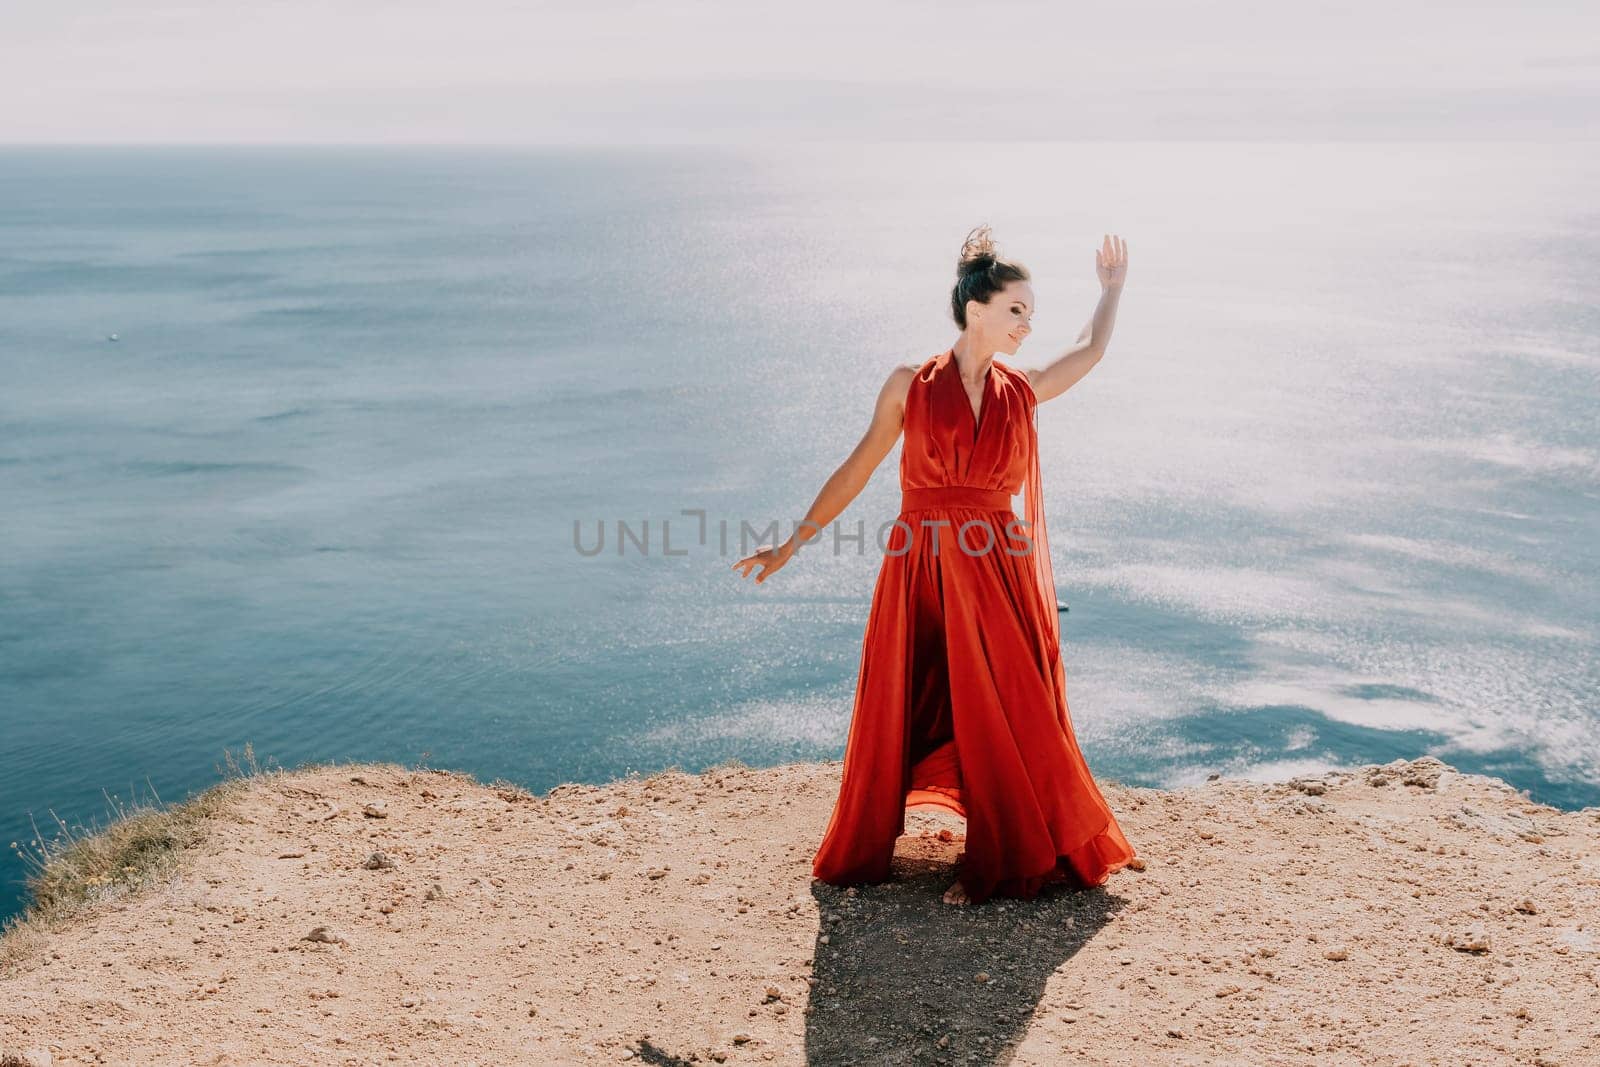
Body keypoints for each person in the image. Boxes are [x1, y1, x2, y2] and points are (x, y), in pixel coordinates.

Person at [732, 224, 1138, 905]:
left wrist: (1112, 292)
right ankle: (900, 835)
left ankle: (1008, 849)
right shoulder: (907, 384)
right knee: (922, 691)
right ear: (975, 306)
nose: (1027, 325)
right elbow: (858, 468)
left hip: (997, 568)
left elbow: (1091, 350)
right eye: (1016, 310)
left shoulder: (1023, 387)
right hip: (920, 564)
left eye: (1031, 315)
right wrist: (793, 542)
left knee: (1008, 702)